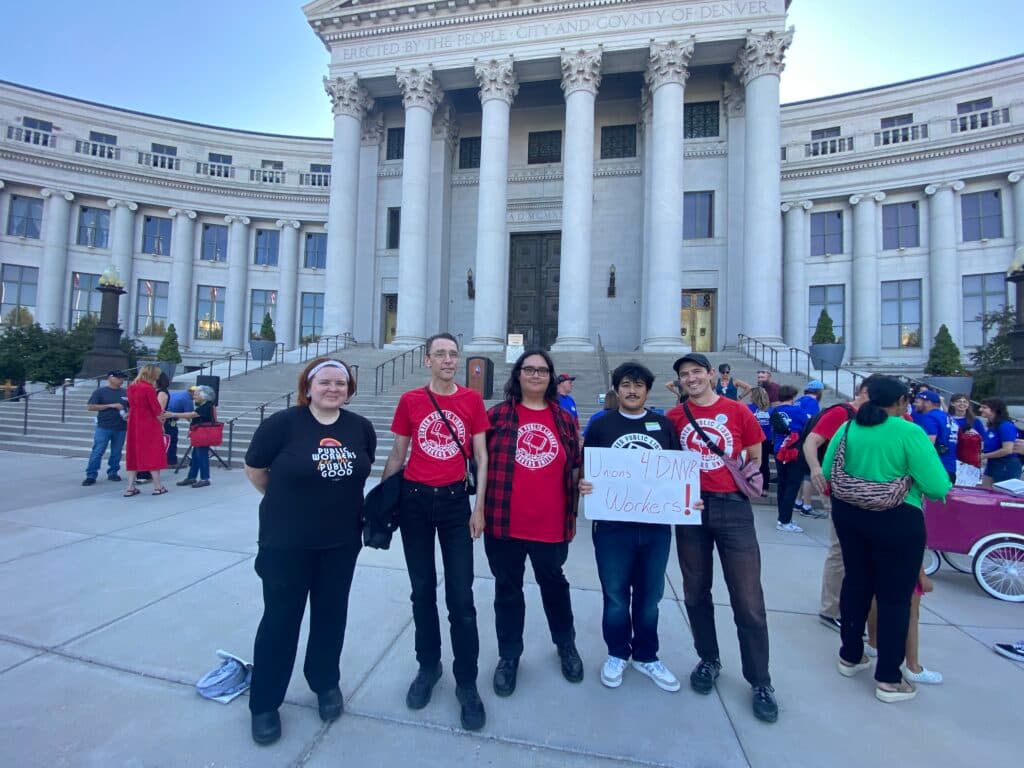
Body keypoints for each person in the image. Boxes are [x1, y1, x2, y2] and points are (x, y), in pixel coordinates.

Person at [243, 357, 376, 745]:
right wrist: (289, 502)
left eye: (341, 383)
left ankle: (325, 683)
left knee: (331, 618)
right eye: (325, 382)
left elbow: (362, 470)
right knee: (280, 622)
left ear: (349, 390)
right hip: (286, 544)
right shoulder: (282, 425)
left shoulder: (360, 428)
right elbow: (255, 471)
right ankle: (265, 704)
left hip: (340, 544)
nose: (333, 389)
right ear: (308, 387)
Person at [381, 333, 489, 732]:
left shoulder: (472, 401)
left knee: (461, 597)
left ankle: (466, 682)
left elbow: (481, 456)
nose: (448, 360)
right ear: (427, 360)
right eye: (440, 354)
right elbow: (398, 453)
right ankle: (428, 667)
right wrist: (382, 504)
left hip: (455, 504)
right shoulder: (411, 400)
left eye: (453, 354)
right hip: (413, 501)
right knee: (422, 590)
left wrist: (479, 509)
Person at [822, 376, 951, 703]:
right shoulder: (909, 432)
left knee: (856, 584)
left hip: (849, 515)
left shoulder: (848, 429)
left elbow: (827, 469)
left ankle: (850, 656)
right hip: (897, 520)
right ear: (900, 403)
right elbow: (938, 487)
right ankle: (889, 680)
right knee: (894, 598)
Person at [667, 353, 779, 723]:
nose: (691, 378)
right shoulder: (675, 418)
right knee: (696, 591)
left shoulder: (738, 411)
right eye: (685, 375)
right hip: (691, 510)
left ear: (711, 374)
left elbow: (754, 456)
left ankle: (760, 680)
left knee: (748, 597)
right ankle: (709, 659)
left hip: (732, 509)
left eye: (697, 372)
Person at [483, 349, 584, 697]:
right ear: (518, 375)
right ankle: (509, 656)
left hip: (551, 525)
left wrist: (584, 482)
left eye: (543, 370)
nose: (536, 375)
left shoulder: (564, 419)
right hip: (504, 523)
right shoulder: (495, 417)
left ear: (551, 377)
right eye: (529, 369)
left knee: (555, 587)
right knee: (507, 591)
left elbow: (575, 466)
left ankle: (565, 645)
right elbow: (476, 466)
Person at [580, 361, 684, 693]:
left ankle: (646, 655)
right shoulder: (601, 425)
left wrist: (687, 498)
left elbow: (677, 473)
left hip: (654, 527)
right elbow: (588, 468)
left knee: (650, 597)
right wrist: (585, 484)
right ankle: (616, 653)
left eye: (638, 385)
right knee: (614, 596)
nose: (632, 390)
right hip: (613, 527)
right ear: (616, 389)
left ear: (647, 390)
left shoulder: (663, 425)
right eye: (625, 384)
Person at [804, 375, 880, 632]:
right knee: (841, 549)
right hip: (839, 489)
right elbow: (812, 441)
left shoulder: (888, 417)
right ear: (866, 393)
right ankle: (831, 608)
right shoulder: (842, 414)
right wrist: (816, 469)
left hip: (873, 492)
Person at [123, 365, 169, 497]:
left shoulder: (132, 387)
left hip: (134, 423)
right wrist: (162, 421)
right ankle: (158, 487)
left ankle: (130, 487)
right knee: (153, 453)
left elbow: (131, 405)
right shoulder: (148, 388)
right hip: (148, 424)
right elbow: (156, 409)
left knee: (133, 453)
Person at [769, 385, 809, 533]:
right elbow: (807, 427)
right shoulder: (799, 411)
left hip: (779, 450)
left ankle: (782, 517)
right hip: (793, 451)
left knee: (782, 485)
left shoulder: (773, 411)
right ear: (792, 397)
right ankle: (785, 520)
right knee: (792, 486)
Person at [83, 370, 128, 486]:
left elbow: (132, 407)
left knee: (117, 451)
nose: (121, 380)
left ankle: (113, 472)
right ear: (110, 378)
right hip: (104, 426)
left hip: (121, 426)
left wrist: (128, 414)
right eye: (118, 378)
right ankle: (91, 474)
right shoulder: (100, 392)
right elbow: (91, 407)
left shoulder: (126, 392)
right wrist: (110, 406)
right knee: (98, 450)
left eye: (122, 378)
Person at [176, 385, 216, 488]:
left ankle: (205, 478)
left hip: (203, 435)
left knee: (202, 456)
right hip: (198, 434)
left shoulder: (206, 406)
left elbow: (191, 415)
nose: (194, 396)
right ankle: (191, 477)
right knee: (195, 456)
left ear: (204, 396)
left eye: (197, 394)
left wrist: (171, 414)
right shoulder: (204, 405)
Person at [912, 389, 956, 482]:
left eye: (917, 402)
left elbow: (928, 444)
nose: (914, 404)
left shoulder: (930, 417)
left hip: (936, 466)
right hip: (949, 465)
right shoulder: (945, 415)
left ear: (928, 402)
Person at [978, 398, 1022, 486]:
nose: (980, 410)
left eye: (984, 407)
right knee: (985, 491)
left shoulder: (1005, 426)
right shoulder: (992, 426)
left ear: (995, 410)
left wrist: (982, 456)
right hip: (992, 463)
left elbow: (1007, 450)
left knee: (1001, 494)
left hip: (1006, 465)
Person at [157, 372, 194, 468]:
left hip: (165, 417)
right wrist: (193, 424)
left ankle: (162, 460)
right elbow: (189, 415)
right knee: (172, 440)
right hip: (168, 420)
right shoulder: (187, 399)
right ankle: (171, 461)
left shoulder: (178, 393)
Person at [948, 394, 984, 486]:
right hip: (951, 458)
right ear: (952, 403)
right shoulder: (947, 419)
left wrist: (975, 435)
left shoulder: (975, 421)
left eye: (965, 402)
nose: (962, 404)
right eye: (959, 401)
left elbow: (983, 440)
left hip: (969, 462)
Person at [746, 386, 772, 496]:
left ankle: (750, 485)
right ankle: (764, 487)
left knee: (749, 463)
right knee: (764, 464)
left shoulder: (747, 408)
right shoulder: (770, 410)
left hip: (751, 439)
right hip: (766, 439)